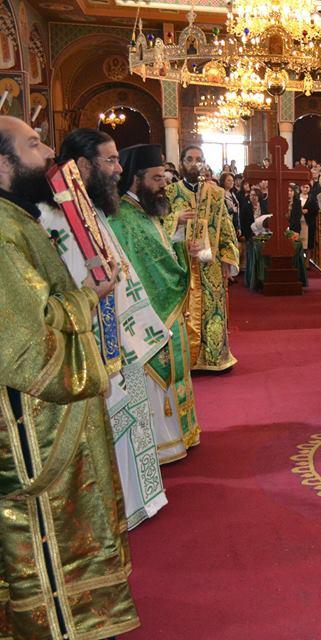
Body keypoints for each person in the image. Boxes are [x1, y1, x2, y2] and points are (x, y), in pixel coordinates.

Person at [0, 115, 140, 638]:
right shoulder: (2, 228)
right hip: (30, 419)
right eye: (33, 145)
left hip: (44, 411)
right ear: (4, 163)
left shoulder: (18, 216)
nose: (46, 155)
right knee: (42, 522)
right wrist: (89, 298)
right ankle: (52, 621)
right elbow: (23, 336)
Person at [38, 128, 170, 528]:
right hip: (90, 336)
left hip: (119, 332)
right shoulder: (52, 215)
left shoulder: (90, 207)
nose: (118, 169)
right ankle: (118, 506)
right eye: (110, 161)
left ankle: (141, 498)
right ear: (82, 166)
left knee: (134, 415)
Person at [110, 143, 202, 463]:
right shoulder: (124, 217)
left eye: (164, 177)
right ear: (136, 179)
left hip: (160, 310)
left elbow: (159, 248)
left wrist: (176, 240)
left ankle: (177, 434)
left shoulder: (144, 211)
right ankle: (162, 441)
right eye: (157, 178)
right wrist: (177, 260)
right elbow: (149, 266)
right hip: (148, 316)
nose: (164, 184)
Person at [166, 145, 240, 372]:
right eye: (189, 159)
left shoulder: (216, 194)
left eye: (199, 159)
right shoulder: (170, 193)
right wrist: (176, 220)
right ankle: (187, 359)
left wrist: (229, 258)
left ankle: (214, 358)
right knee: (185, 310)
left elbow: (227, 227)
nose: (195, 163)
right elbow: (158, 227)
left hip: (212, 263)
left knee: (213, 309)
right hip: (182, 263)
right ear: (181, 163)